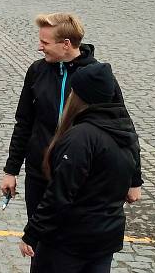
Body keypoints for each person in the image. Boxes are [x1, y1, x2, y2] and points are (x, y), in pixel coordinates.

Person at [1, 13, 142, 227]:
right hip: (39, 174)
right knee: (37, 241)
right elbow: (24, 123)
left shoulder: (97, 77)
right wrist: (11, 170)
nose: (39, 47)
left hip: (80, 176)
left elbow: (124, 126)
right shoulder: (37, 71)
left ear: (66, 44)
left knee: (70, 242)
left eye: (45, 42)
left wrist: (134, 181)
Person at [19, 62, 140, 273]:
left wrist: (32, 233)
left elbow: (60, 193)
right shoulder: (124, 132)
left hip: (69, 243)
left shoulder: (81, 137)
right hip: (104, 241)